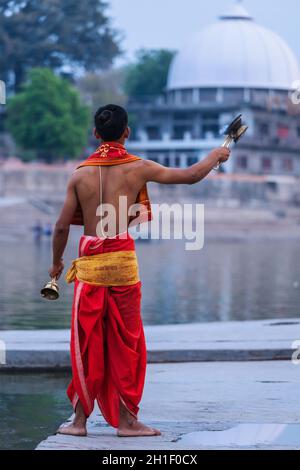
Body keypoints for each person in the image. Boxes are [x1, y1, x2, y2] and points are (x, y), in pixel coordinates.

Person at [48, 104, 230, 438]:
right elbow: (189, 176)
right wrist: (217, 155)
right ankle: (128, 421)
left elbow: (61, 228)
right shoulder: (138, 168)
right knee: (127, 342)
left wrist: (56, 263)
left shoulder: (79, 175)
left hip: (89, 265)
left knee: (86, 341)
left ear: (95, 133)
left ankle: (78, 422)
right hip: (122, 264)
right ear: (126, 133)